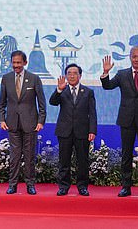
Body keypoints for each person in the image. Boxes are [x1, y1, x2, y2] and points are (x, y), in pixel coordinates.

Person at [101, 46, 138, 198]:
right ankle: (126, 187)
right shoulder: (122, 74)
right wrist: (106, 73)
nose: (137, 59)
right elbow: (107, 86)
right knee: (126, 155)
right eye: (134, 56)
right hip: (126, 120)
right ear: (130, 57)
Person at [0, 50, 46, 195]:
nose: (16, 65)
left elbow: (41, 103)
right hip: (12, 123)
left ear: (25, 63)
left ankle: (30, 185)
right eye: (14, 63)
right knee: (14, 156)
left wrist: (41, 121)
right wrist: (1, 119)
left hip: (30, 123)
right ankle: (12, 185)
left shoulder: (34, 79)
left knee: (30, 156)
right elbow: (1, 103)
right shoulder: (6, 78)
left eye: (18, 62)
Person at [49, 63, 96, 196]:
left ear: (80, 75)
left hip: (82, 131)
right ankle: (63, 186)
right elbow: (52, 102)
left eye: (75, 73)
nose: (72, 75)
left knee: (82, 161)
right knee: (64, 161)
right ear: (66, 75)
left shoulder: (88, 92)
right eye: (69, 73)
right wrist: (58, 90)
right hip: (65, 131)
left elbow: (92, 113)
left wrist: (92, 130)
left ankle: (82, 187)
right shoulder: (62, 90)